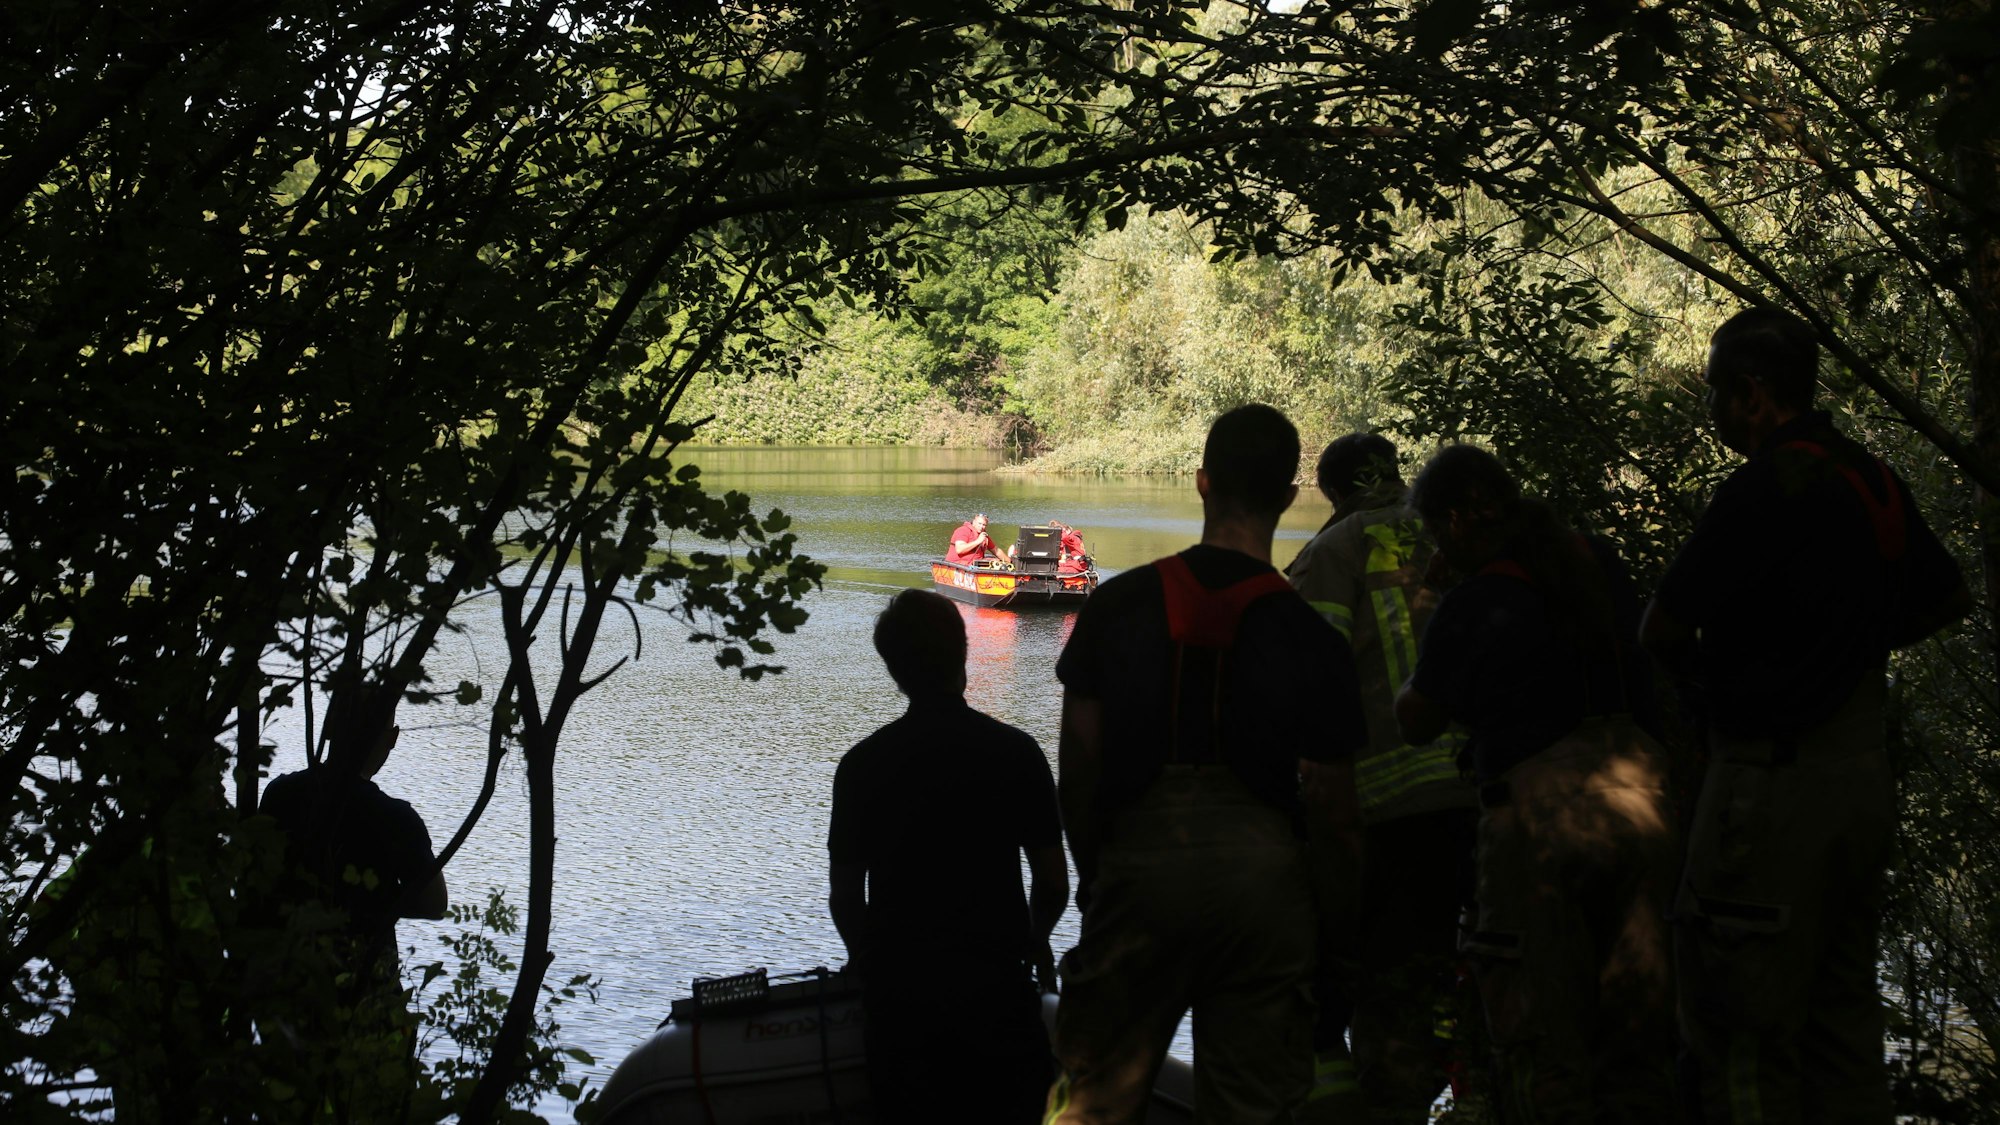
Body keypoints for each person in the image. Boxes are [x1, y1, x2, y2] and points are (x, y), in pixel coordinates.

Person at [1641, 307, 1969, 1123]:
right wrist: (1851, 647)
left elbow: (1662, 629)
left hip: (1767, 791)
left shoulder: (1763, 488)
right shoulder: (1870, 477)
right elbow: (1945, 596)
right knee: (1843, 1028)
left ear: (1753, 394)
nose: (1712, 409)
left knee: (1741, 1034)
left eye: (1715, 392)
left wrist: (1728, 685)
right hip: (1860, 783)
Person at [1045, 403, 1367, 1124]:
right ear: (1288, 496)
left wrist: (1097, 876)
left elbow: (1079, 766)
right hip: (1265, 888)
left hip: (1137, 876)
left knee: (1089, 1103)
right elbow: (1334, 809)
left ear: (1201, 482)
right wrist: (1335, 939)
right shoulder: (1312, 636)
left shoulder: (1115, 607)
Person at [1394, 444, 1677, 1125]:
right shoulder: (1596, 561)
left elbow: (1417, 720)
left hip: (1539, 823)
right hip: (1645, 804)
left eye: (1435, 532)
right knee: (1640, 1039)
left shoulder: (1476, 599)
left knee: (1543, 1042)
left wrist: (1431, 602)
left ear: (1456, 521)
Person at [1285, 433, 1476, 1123]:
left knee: (1386, 987)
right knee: (1468, 978)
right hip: (1489, 797)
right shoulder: (1458, 531)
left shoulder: (1331, 553)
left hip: (1389, 809)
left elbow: (1309, 687)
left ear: (1332, 492)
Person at [828, 589, 1067, 1125]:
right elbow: (1053, 882)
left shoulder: (862, 766)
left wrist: (864, 957)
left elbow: (845, 897)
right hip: (997, 994)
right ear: (963, 652)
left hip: (901, 1005)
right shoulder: (1017, 753)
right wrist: (1036, 938)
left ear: (893, 669)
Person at [261, 691, 448, 984]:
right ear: (392, 738)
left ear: (329, 728)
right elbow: (434, 904)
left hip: (285, 979)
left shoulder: (280, 794)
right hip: (365, 984)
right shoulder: (395, 818)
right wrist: (373, 900)